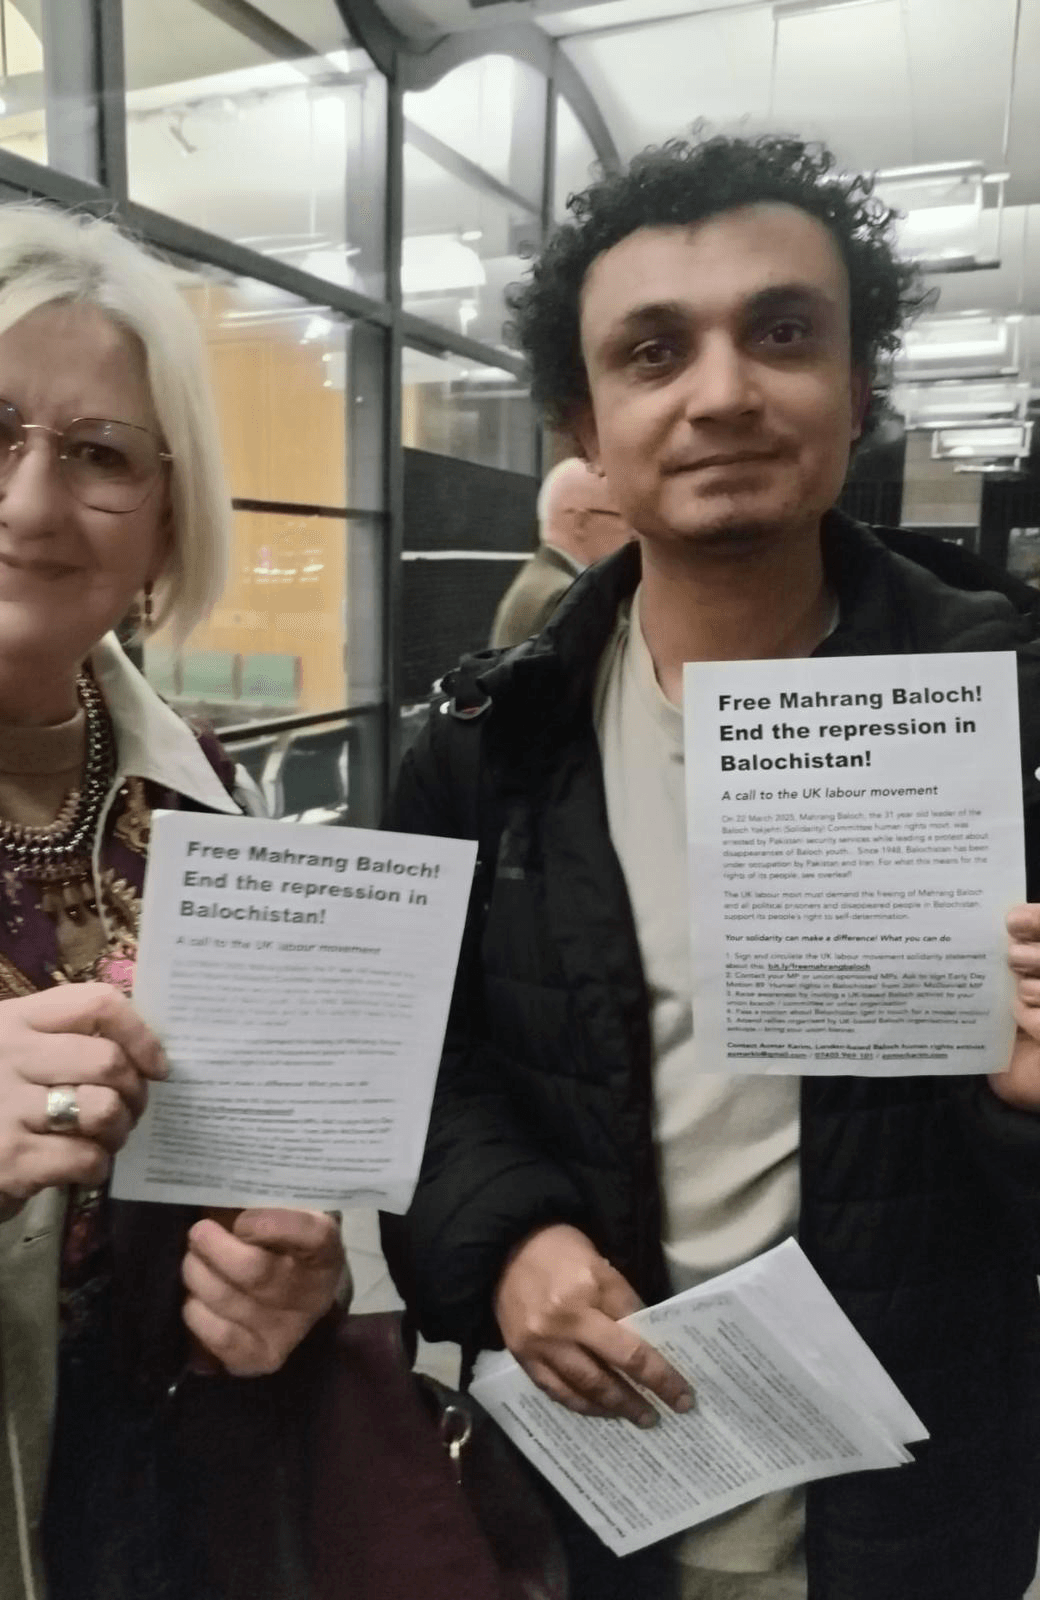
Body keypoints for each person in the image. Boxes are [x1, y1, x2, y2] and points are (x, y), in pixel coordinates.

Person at [382, 134, 1040, 1600]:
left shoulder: (1012, 720)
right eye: (655, 350)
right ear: (588, 423)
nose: (726, 392)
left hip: (917, 1513)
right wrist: (506, 1243)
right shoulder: (494, 745)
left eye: (785, 332)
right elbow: (416, 1065)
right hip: (595, 1503)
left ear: (858, 389)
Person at [0, 205, 346, 1600]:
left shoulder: (208, 810)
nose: (34, 500)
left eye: (103, 455)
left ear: (165, 523)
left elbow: (277, 1171)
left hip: (180, 1523)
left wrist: (297, 1283)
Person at [490, 456, 631, 647]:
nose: (631, 532)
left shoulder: (541, 581)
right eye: (620, 516)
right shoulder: (562, 599)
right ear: (581, 522)